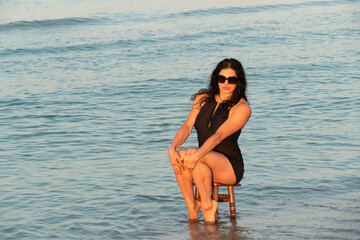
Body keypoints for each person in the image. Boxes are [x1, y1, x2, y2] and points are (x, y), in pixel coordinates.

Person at [168, 58, 251, 223]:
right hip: (203, 158)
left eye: (232, 79)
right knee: (181, 154)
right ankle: (192, 208)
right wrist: (172, 148)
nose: (226, 83)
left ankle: (207, 205)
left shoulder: (242, 108)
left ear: (239, 82)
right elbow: (187, 125)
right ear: (216, 78)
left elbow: (218, 136)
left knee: (191, 155)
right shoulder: (203, 98)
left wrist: (195, 155)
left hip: (229, 165)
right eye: (222, 78)